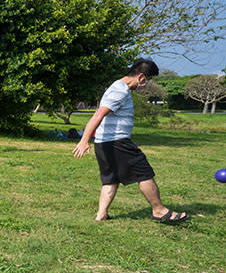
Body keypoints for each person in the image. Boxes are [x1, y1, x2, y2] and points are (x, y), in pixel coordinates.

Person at [73, 58, 189, 224]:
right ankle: (159, 210)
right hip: (117, 142)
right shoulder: (120, 91)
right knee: (145, 173)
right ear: (141, 77)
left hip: (105, 143)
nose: (146, 85)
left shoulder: (118, 87)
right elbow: (98, 114)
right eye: (148, 81)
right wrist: (84, 140)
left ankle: (101, 215)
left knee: (111, 179)